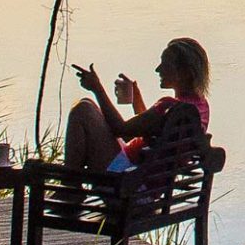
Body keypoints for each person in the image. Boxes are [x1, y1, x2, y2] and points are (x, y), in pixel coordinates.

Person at [65, 38, 212, 171]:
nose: (158, 69)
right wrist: (136, 98)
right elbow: (150, 130)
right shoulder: (200, 107)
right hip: (147, 182)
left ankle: (70, 187)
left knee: (83, 109)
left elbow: (121, 130)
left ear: (186, 73)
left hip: (128, 181)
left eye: (165, 64)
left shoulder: (169, 106)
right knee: (88, 105)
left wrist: (97, 88)